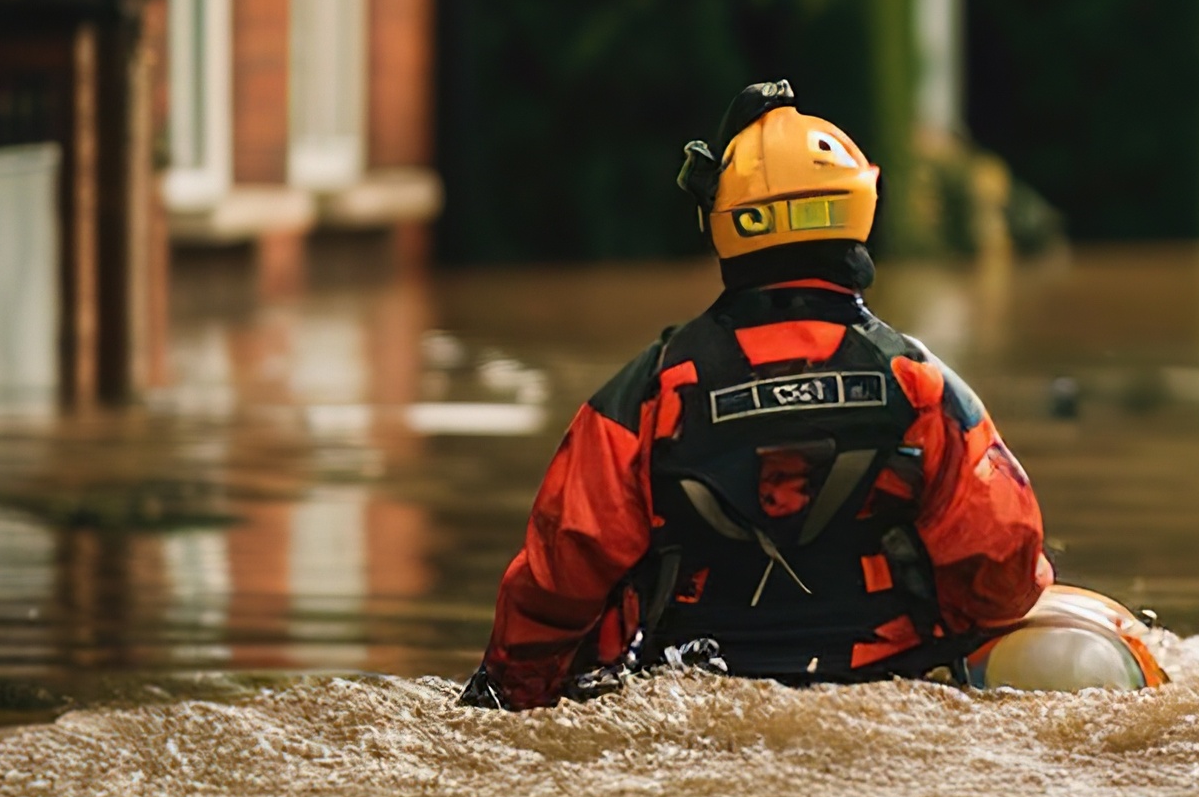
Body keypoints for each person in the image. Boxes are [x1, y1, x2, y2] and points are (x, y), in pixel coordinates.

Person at [459, 82, 1157, 710]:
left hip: (688, 706)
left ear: (724, 222)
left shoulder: (646, 395)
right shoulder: (921, 385)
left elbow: (554, 584)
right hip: (888, 701)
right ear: (858, 211)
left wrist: (501, 699)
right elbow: (1002, 569)